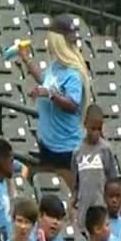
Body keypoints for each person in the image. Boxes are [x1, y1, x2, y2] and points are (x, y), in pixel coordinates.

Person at [17, 14, 91, 187]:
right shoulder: (55, 66)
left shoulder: (73, 74)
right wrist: (27, 60)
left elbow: (73, 105)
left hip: (65, 149)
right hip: (48, 143)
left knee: (67, 192)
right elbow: (45, 80)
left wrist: (49, 94)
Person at [70, 104, 117, 229]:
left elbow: (112, 181)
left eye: (99, 129)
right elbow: (76, 186)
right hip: (83, 210)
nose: (96, 133)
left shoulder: (105, 149)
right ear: (85, 124)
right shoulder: (77, 152)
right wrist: (71, 206)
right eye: (93, 129)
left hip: (101, 208)